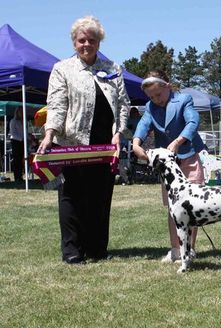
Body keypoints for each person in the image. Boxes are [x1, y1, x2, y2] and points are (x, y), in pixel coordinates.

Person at [37, 16, 130, 264]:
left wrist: (118, 133)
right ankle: (72, 251)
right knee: (71, 197)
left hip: (105, 146)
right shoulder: (62, 69)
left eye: (92, 40)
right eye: (82, 40)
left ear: (99, 42)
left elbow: (123, 105)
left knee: (100, 198)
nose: (86, 44)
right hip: (72, 143)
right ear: (74, 42)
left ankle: (98, 249)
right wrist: (49, 134)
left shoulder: (113, 68)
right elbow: (56, 104)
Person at [132, 69, 205, 263]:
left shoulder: (184, 100)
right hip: (168, 168)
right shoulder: (150, 106)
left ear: (168, 86)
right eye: (151, 96)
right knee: (174, 208)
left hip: (189, 159)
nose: (156, 99)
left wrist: (179, 141)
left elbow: (193, 121)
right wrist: (136, 142)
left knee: (192, 207)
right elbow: (143, 125)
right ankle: (175, 249)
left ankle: (190, 249)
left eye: (158, 94)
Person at [9, 107, 24, 182]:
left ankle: (20, 176)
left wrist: (29, 138)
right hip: (15, 141)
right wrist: (22, 139)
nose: (21, 113)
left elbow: (25, 132)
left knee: (21, 159)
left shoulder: (24, 121)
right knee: (16, 160)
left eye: (22, 111)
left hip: (22, 142)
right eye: (20, 111)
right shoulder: (13, 121)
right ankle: (16, 177)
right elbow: (13, 133)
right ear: (17, 112)